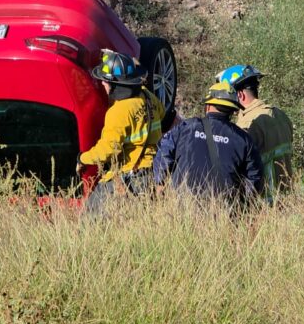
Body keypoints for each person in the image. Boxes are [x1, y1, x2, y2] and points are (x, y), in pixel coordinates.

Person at [79, 49, 164, 212]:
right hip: (151, 173)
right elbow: (162, 115)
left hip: (128, 176)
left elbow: (107, 151)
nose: (102, 83)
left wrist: (83, 158)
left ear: (115, 84)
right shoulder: (149, 98)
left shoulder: (119, 111)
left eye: (105, 80)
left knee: (90, 219)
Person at [153, 81, 263, 206]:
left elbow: (163, 155)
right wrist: (242, 207)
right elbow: (254, 179)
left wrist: (160, 183)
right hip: (224, 211)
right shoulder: (244, 139)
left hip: (183, 208)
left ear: (208, 106)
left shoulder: (185, 128)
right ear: (233, 110)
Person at [216, 64, 293, 199]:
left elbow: (238, 166)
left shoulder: (248, 123)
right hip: (286, 198)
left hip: (263, 201)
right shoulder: (280, 114)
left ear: (239, 95)